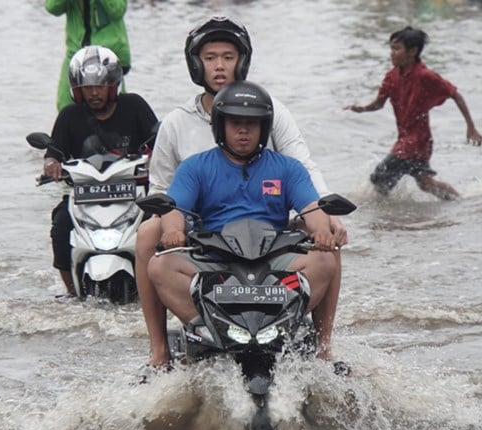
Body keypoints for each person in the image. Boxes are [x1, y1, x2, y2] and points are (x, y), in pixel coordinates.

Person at [136, 16, 347, 369]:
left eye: (228, 57)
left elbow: (303, 169)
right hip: (202, 231)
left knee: (330, 245)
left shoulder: (273, 114)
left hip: (269, 232)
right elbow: (164, 192)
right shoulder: (180, 130)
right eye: (211, 57)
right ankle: (162, 349)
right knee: (147, 237)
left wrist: (325, 223)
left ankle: (324, 347)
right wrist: (173, 226)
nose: (220, 66)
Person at [44, 45, 158, 295]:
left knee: (159, 223)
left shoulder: (135, 105)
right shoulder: (69, 116)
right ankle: (70, 290)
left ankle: (158, 286)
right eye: (88, 88)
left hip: (134, 192)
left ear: (113, 86)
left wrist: (154, 158)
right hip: (84, 196)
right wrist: (51, 164)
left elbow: (158, 139)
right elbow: (54, 152)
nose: (94, 93)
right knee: (60, 223)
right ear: (77, 90)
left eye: (100, 86)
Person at [344, 26, 482, 200]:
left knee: (380, 178)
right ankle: (460, 201)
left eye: (397, 49)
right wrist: (362, 108)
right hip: (406, 139)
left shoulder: (426, 76)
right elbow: (379, 104)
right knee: (425, 184)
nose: (392, 54)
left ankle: (381, 219)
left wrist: (471, 128)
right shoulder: (391, 76)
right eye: (391, 49)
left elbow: (455, 94)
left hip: (417, 141)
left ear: (412, 51)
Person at [45, 0, 131, 111]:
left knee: (115, 106)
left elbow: (117, 10)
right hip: (75, 54)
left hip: (106, 55)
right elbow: (52, 8)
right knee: (66, 107)